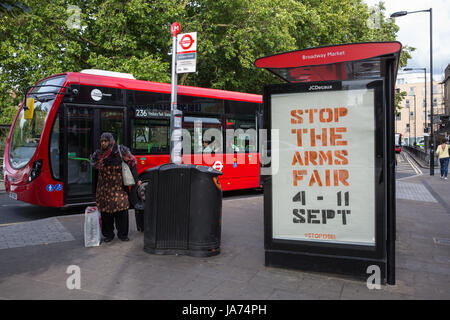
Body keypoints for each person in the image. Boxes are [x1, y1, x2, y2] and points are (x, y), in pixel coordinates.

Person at [90, 132, 141, 242]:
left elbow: (132, 164)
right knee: (106, 213)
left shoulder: (121, 151)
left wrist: (137, 180)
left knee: (121, 211)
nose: (103, 143)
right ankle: (108, 235)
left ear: (111, 141)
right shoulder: (98, 155)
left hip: (119, 188)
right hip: (104, 190)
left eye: (106, 141)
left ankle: (123, 234)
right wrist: (95, 189)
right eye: (102, 141)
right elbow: (95, 172)